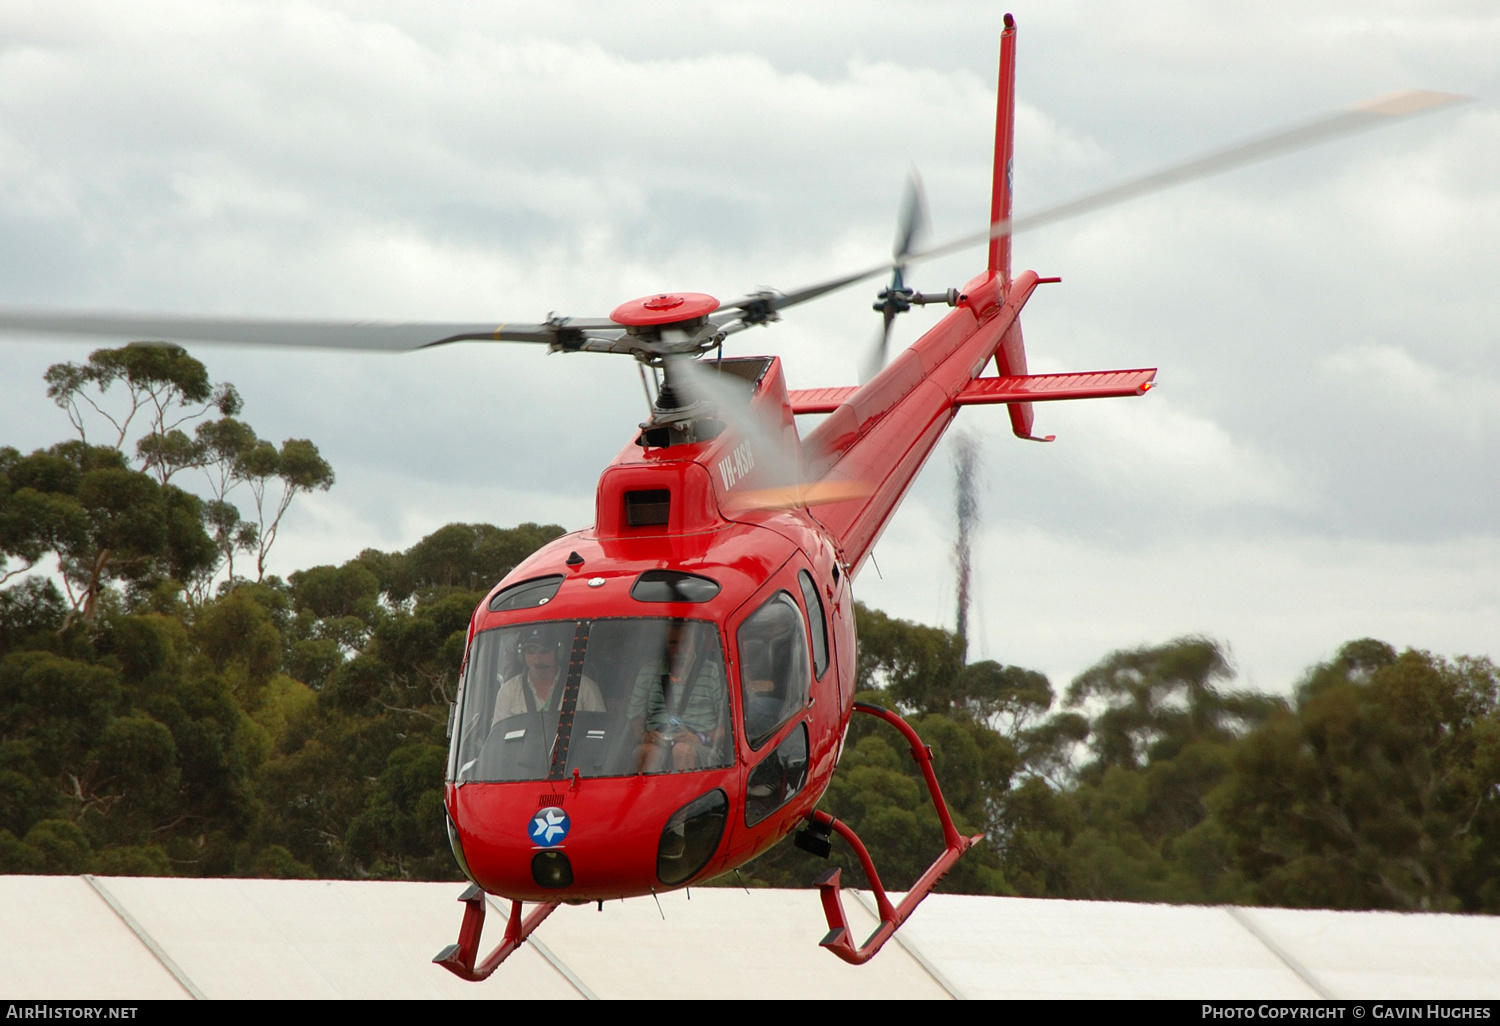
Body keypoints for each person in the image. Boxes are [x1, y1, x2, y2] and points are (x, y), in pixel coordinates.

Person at [628, 620, 728, 772]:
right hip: (658, 743)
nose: (679, 650)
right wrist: (645, 736)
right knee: (646, 752)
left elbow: (728, 727)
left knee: (682, 751)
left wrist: (700, 737)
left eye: (685, 643)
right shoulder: (647, 673)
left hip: (701, 746)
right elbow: (635, 721)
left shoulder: (713, 673)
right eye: (673, 644)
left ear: (696, 643)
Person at [491, 624, 604, 726]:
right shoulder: (508, 692)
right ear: (522, 656)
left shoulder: (584, 688)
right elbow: (499, 739)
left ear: (558, 653)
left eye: (544, 651)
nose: (537, 657)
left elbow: (601, 732)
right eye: (531, 651)